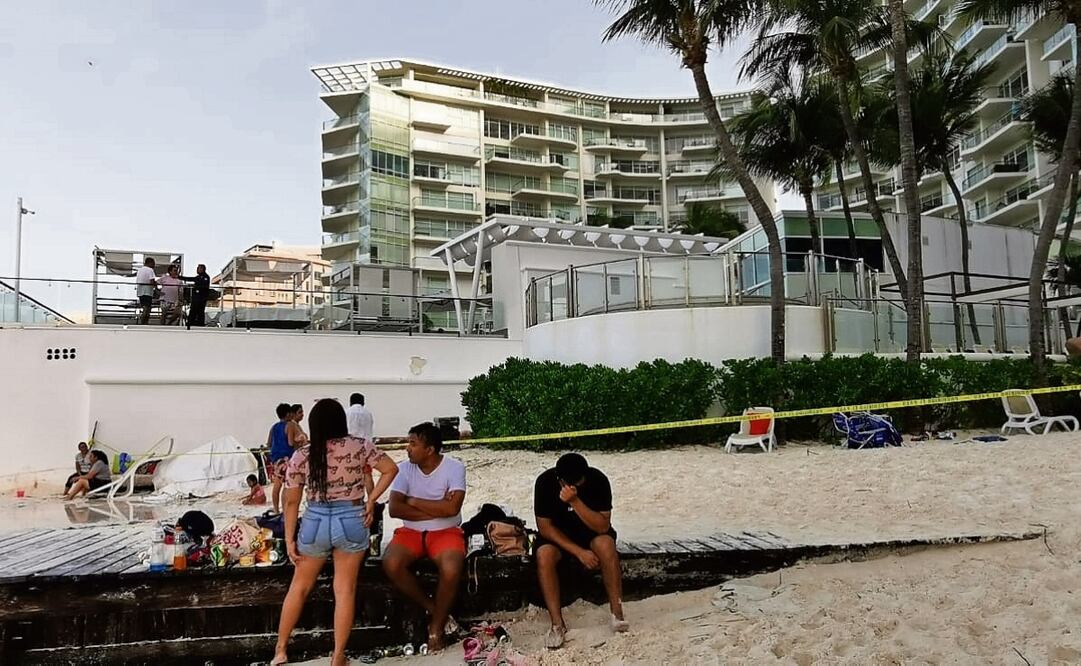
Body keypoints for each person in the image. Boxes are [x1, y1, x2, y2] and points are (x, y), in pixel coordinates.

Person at [274, 398, 398, 666]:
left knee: (299, 587)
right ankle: (338, 656)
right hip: (352, 519)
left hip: (315, 520)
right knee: (344, 590)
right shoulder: (360, 445)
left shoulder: (303, 455)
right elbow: (390, 469)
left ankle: (281, 650)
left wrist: (289, 539)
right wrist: (371, 499)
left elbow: (292, 502)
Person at [383, 422, 467, 651]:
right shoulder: (404, 469)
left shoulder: (454, 468)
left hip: (446, 531)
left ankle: (436, 627)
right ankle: (433, 608)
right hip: (411, 531)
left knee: (451, 568)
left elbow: (452, 510)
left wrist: (413, 501)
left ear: (429, 449)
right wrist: (438, 506)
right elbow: (394, 509)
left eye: (413, 444)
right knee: (391, 562)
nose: (407, 448)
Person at [533, 452, 628, 649]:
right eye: (573, 482)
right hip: (559, 536)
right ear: (561, 480)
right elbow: (545, 528)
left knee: (607, 545)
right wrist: (578, 552)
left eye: (581, 480)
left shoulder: (599, 480)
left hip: (590, 532)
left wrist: (575, 502)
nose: (578, 484)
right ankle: (557, 624)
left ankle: (617, 613)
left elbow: (602, 526)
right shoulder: (544, 483)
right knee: (544, 555)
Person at [346, 393, 376, 497]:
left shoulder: (347, 412)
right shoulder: (368, 413)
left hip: (350, 447)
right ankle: (372, 498)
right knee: (367, 474)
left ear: (351, 402)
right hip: (366, 447)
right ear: (363, 402)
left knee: (350, 474)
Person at [267, 403, 294, 514]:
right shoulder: (290, 425)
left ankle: (276, 509)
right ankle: (284, 509)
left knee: (276, 486)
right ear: (288, 414)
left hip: (276, 459)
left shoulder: (274, 427)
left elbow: (269, 443)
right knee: (287, 486)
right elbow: (290, 442)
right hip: (287, 458)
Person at [182, 263, 211, 328]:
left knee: (200, 311)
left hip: (201, 298)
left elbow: (204, 286)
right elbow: (190, 279)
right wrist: (180, 277)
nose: (197, 270)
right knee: (193, 311)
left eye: (198, 268)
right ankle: (190, 324)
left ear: (202, 269)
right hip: (196, 298)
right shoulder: (198, 277)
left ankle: (200, 324)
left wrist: (195, 286)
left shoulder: (206, 277)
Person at [135, 257, 157, 325]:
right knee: (147, 308)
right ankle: (144, 322)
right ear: (149, 263)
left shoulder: (140, 270)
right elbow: (152, 281)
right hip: (147, 291)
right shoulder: (150, 270)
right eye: (153, 263)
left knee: (145, 307)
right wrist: (156, 287)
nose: (154, 265)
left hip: (140, 290)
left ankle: (143, 321)